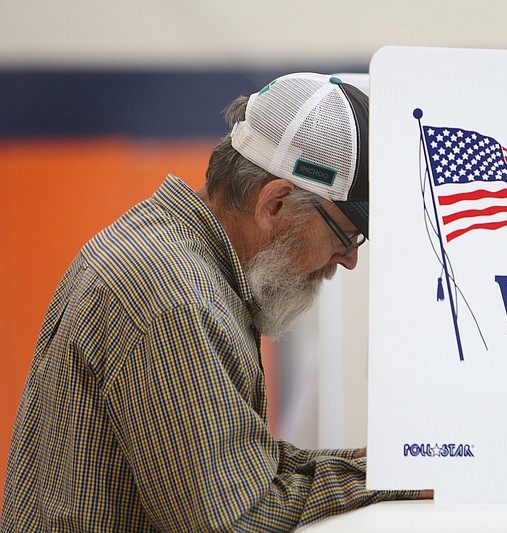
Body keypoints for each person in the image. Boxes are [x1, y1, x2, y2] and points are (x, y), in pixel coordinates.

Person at [2, 72, 426, 532]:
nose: (346, 260)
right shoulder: (178, 301)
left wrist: (371, 469)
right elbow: (236, 517)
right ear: (275, 204)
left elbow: (237, 464)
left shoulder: (171, 253)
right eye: (346, 235)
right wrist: (383, 481)